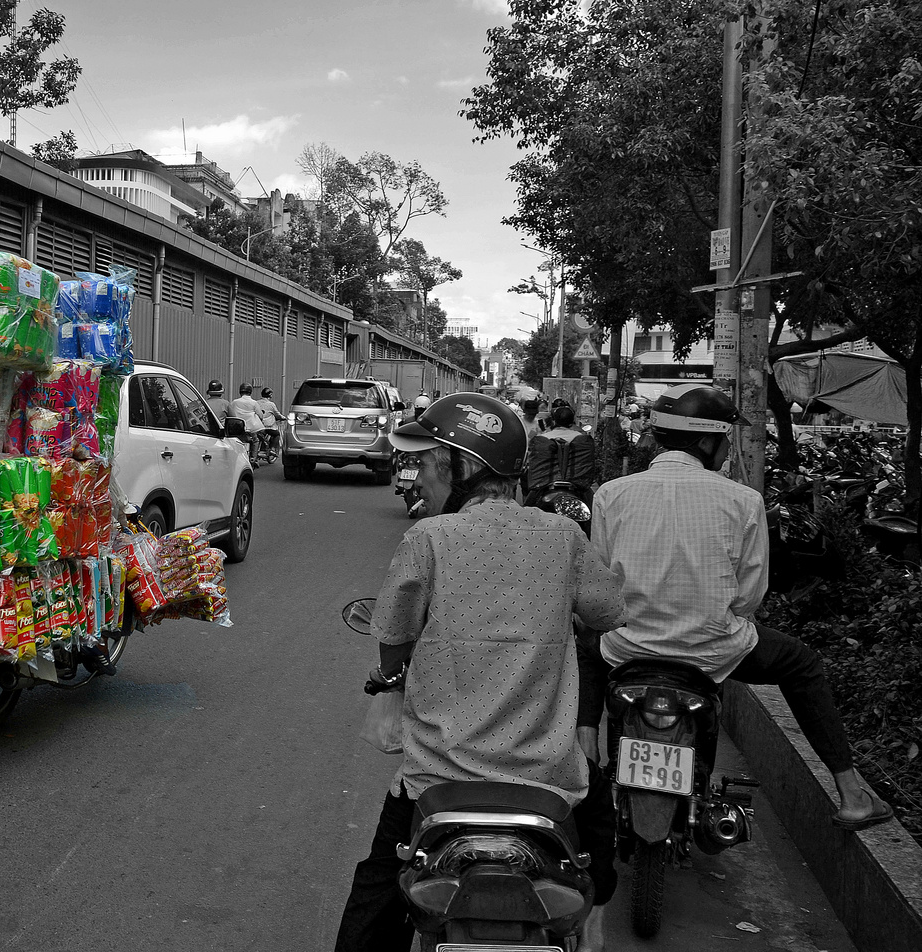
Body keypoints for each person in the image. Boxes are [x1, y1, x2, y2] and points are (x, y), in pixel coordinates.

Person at [335, 393, 623, 952]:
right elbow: (610, 613)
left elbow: (393, 636)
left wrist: (390, 675)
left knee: (372, 902)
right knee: (598, 859)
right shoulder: (563, 538)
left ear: (463, 467)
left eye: (425, 462)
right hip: (547, 783)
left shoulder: (428, 539)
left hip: (438, 784)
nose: (416, 477)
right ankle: (594, 925)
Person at [585, 383, 892, 831]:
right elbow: (749, 597)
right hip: (714, 650)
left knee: (582, 648)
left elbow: (602, 584)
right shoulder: (744, 501)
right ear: (707, 441)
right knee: (802, 664)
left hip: (626, 649)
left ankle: (588, 757)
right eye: (726, 439)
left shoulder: (611, 494)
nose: (729, 449)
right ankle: (851, 794)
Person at [523, 399, 598, 501]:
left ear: (554, 420)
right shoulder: (583, 439)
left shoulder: (542, 438)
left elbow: (533, 462)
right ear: (572, 421)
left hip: (545, 485)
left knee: (529, 503)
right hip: (577, 486)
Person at [229, 383, 265, 464]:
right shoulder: (254, 403)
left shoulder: (235, 402)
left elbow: (230, 413)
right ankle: (253, 458)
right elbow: (260, 415)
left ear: (240, 392)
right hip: (251, 428)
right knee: (255, 440)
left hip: (238, 428)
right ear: (250, 392)